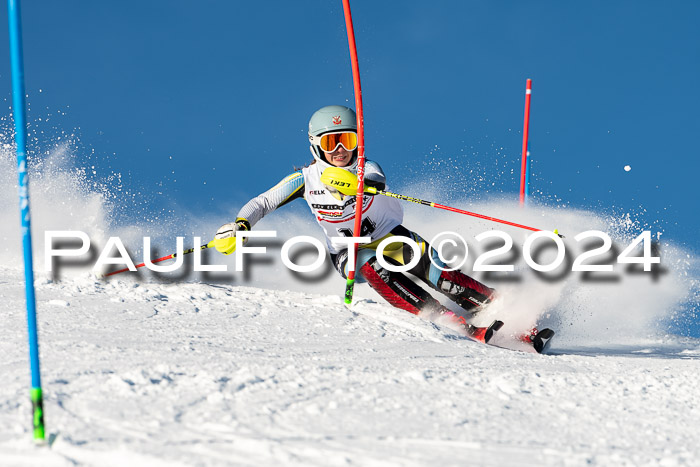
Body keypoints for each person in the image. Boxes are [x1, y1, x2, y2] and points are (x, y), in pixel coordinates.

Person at [215, 105, 498, 342]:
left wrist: (355, 184)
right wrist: (241, 225)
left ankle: (493, 306)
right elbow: (262, 203)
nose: (339, 150)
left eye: (347, 141)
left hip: (389, 236)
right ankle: (441, 317)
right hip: (348, 251)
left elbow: (376, 179)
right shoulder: (305, 179)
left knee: (436, 272)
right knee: (371, 265)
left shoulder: (365, 166)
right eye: (330, 142)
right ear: (315, 146)